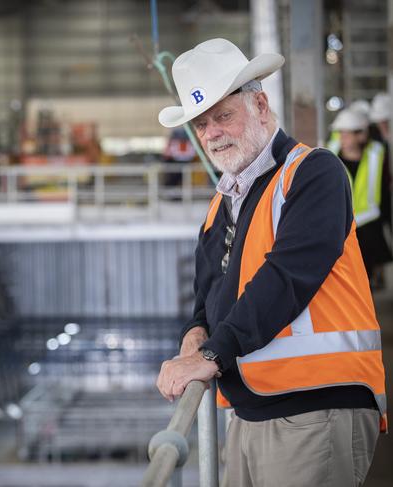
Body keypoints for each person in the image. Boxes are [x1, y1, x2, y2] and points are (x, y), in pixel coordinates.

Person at [154, 38, 387, 487]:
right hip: (250, 409)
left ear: (260, 104)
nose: (212, 133)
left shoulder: (314, 173)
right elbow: (207, 295)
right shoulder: (222, 202)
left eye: (223, 115)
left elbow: (287, 278)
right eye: (201, 125)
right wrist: (193, 335)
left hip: (315, 408)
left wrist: (210, 355)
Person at [328, 108, 392, 283]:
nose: (342, 138)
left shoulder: (377, 153)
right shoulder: (330, 152)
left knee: (366, 275)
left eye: (347, 134)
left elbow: (385, 190)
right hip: (342, 224)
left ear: (360, 135)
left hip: (369, 223)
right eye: (340, 133)